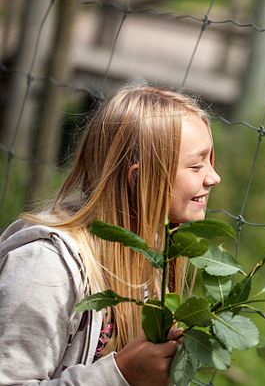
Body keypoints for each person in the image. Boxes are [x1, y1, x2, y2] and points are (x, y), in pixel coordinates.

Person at [0, 86, 221, 385]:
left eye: (211, 162)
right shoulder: (46, 268)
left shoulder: (149, 258)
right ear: (138, 178)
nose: (213, 177)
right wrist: (120, 375)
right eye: (196, 165)